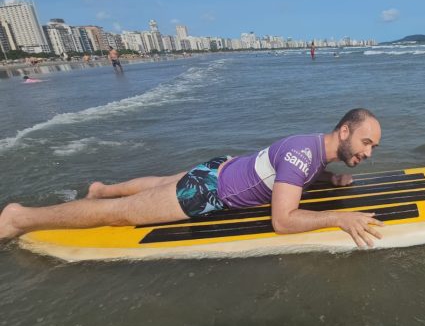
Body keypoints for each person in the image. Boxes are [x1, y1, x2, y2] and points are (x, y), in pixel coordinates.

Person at [0, 108, 385, 247]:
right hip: (207, 190)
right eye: (366, 143)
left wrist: (329, 181)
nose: (368, 153)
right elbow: (283, 221)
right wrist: (339, 217)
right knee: (119, 213)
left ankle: (102, 188)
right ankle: (20, 217)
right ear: (345, 131)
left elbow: (294, 173)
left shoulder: (313, 149)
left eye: (374, 148)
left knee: (158, 183)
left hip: (221, 166)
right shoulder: (305, 157)